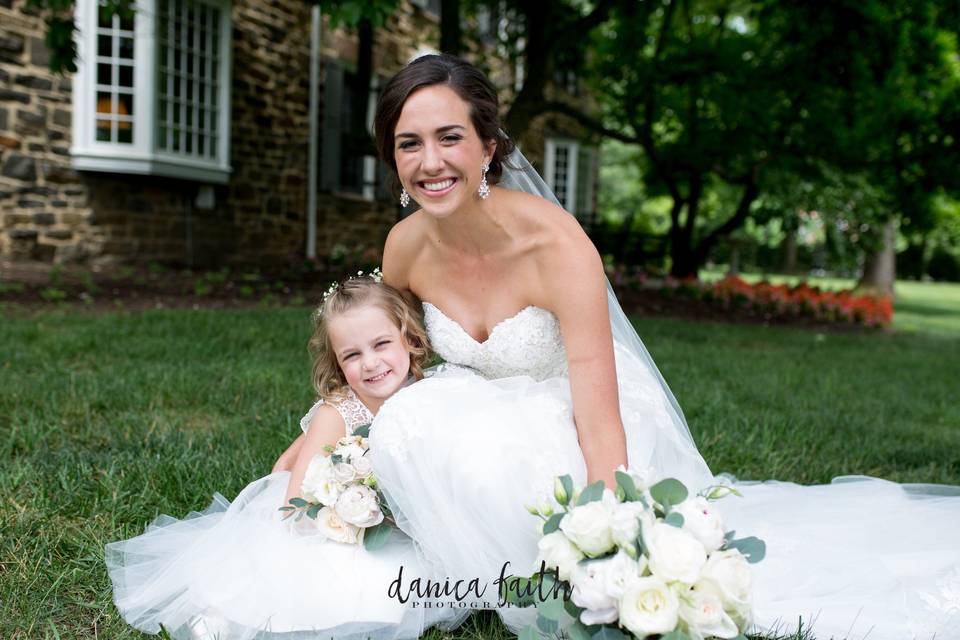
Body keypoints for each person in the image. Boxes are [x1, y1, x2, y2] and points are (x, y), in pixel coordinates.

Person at [277, 53, 960, 640]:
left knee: (510, 479)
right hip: (476, 412)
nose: (429, 163)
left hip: (578, 417)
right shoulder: (405, 245)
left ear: (488, 146)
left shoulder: (556, 244)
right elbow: (383, 367)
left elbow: (597, 414)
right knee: (417, 421)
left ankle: (527, 567)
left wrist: (612, 543)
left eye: (449, 138)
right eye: (408, 144)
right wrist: (329, 429)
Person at [105, 276, 459, 640]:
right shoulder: (338, 414)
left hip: (407, 523)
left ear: (410, 339)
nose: (370, 364)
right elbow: (296, 504)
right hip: (328, 521)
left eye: (381, 344)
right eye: (351, 355)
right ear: (336, 363)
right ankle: (227, 618)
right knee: (342, 586)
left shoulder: (427, 394)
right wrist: (363, 512)